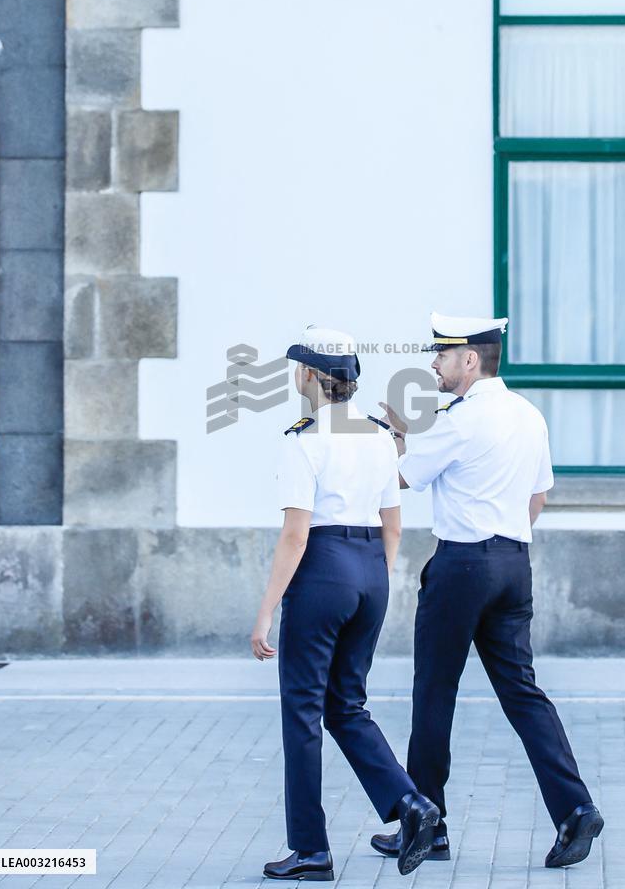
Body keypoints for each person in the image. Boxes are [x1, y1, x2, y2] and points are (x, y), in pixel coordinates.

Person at [370, 311, 604, 870]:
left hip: (462, 566)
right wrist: (505, 544)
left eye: (443, 356)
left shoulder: (459, 418)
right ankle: (575, 809)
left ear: (469, 360)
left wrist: (393, 439)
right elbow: (539, 496)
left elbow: (402, 477)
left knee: (433, 692)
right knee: (523, 692)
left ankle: (426, 824)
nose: (434, 364)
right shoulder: (529, 415)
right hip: (513, 562)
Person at [251, 326, 439, 881]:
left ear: (309, 375)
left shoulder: (303, 439)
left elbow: (295, 536)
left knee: (303, 711)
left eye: (295, 369)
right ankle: (412, 805)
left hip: (323, 571)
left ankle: (310, 850)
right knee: (347, 705)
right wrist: (373, 581)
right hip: (371, 572)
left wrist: (266, 611)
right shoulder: (380, 436)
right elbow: (394, 526)